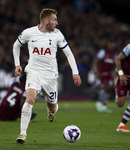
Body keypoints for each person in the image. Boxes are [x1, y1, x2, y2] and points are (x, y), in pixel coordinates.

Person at [13, 8, 81, 144]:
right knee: (30, 99)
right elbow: (16, 45)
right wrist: (17, 64)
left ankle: (51, 112)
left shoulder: (57, 34)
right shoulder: (29, 32)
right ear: (46, 21)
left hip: (50, 76)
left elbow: (68, 53)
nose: (57, 22)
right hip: (34, 72)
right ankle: (22, 134)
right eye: (54, 19)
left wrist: (75, 72)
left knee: (53, 107)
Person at [94, 40, 116, 113]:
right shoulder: (103, 52)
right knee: (105, 88)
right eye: (110, 45)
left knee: (109, 89)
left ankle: (104, 106)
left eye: (112, 45)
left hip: (109, 73)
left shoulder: (114, 54)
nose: (111, 46)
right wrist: (97, 72)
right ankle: (99, 103)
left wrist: (114, 73)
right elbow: (96, 62)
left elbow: (114, 65)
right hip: (102, 73)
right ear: (107, 45)